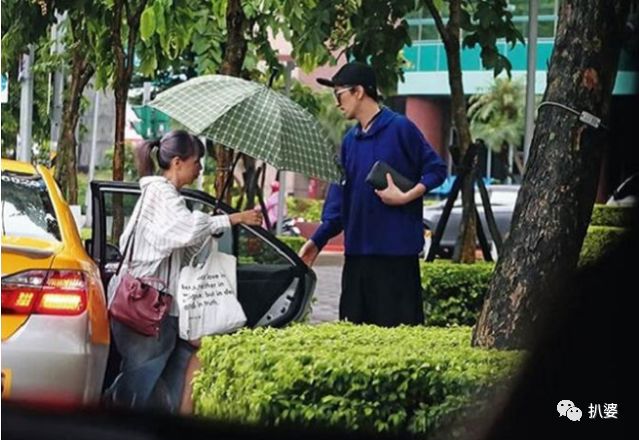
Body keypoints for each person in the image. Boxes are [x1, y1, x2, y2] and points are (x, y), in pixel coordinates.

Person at [104, 130, 262, 413]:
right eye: (196, 161)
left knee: (148, 383)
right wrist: (233, 218)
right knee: (137, 387)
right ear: (177, 162)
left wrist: (208, 230)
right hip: (146, 308)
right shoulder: (161, 195)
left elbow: (180, 245)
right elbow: (186, 231)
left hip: (150, 306)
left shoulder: (164, 196)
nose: (200, 168)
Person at [298, 62, 447, 327]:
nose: (337, 103)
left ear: (358, 92)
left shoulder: (401, 128)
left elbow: (436, 170)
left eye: (339, 94)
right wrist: (316, 243)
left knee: (398, 338)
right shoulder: (349, 141)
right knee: (352, 334)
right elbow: (338, 203)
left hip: (397, 259)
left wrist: (407, 195)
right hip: (356, 259)